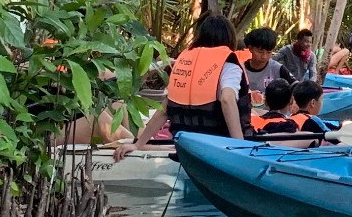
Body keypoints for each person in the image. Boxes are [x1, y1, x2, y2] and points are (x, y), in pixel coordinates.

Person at [115, 14, 247, 156]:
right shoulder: (228, 65)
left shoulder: (185, 65)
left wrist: (138, 144)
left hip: (185, 148)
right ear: (230, 38)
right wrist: (239, 147)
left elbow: (163, 111)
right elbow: (227, 99)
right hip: (218, 149)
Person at [237, 27, 279, 124]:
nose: (264, 56)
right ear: (250, 48)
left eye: (269, 52)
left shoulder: (277, 68)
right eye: (260, 52)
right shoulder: (239, 69)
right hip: (247, 120)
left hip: (271, 122)